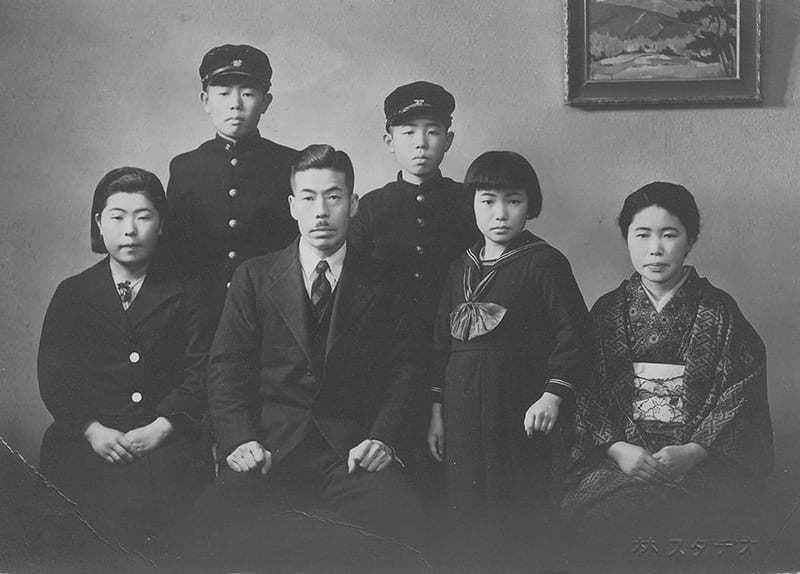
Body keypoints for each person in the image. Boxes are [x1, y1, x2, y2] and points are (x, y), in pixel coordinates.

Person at [186, 145, 429, 573]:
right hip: (269, 450)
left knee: (406, 518)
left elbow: (406, 370)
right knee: (208, 523)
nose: (321, 211)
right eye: (309, 197)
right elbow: (226, 368)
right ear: (292, 205)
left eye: (334, 197)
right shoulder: (255, 276)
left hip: (350, 453)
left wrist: (383, 438)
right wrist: (240, 440)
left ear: (353, 204)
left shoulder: (384, 279)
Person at [561, 182, 774, 568]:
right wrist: (618, 449)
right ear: (626, 238)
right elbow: (585, 389)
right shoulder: (607, 312)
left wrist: (694, 451)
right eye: (642, 235)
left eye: (669, 234)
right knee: (600, 521)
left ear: (690, 240)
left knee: (712, 521)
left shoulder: (720, 311)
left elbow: (742, 391)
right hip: (619, 463)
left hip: (703, 464)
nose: (655, 249)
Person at [37, 167, 214, 559]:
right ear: (99, 223)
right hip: (89, 439)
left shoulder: (191, 291)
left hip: (168, 437)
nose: (129, 230)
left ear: (162, 224)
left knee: (177, 541)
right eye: (117, 216)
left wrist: (162, 427)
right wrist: (92, 429)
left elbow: (201, 370)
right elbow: (55, 375)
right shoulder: (73, 293)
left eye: (143, 216)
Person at [427, 151, 592, 571]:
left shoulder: (545, 262)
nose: (500, 213)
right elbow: (438, 346)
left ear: (530, 205)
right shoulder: (457, 266)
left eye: (513, 200)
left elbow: (574, 336)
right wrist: (436, 410)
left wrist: (552, 396)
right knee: (465, 504)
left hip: (518, 406)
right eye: (487, 200)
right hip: (462, 408)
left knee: (516, 505)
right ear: (472, 204)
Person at [349, 80, 477, 482]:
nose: (421, 143)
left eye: (432, 132)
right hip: (389, 354)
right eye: (408, 133)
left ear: (449, 140)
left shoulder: (468, 203)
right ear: (389, 141)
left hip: (455, 349)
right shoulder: (371, 208)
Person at [163, 44, 298, 320]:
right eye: (223, 93)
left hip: (270, 309)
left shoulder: (290, 164)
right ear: (205, 101)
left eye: (247, 94)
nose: (235, 104)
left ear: (266, 102)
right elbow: (174, 249)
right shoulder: (185, 167)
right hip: (201, 311)